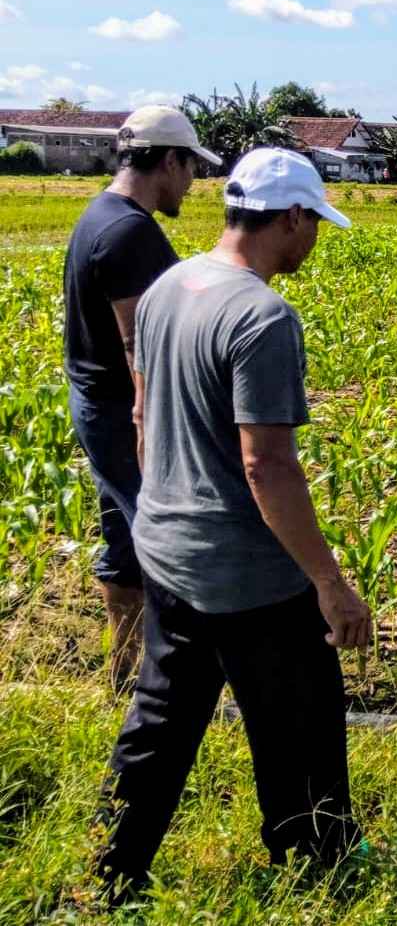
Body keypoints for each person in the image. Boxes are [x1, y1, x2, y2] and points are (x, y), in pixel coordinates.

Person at [94, 148, 372, 903]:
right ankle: (318, 869)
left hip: (167, 546)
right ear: (289, 218)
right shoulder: (262, 316)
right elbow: (267, 467)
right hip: (246, 570)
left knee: (162, 714)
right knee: (301, 720)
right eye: (313, 222)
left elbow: (142, 414)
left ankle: (111, 867)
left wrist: (166, 510)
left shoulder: (167, 287)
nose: (314, 238)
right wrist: (330, 583)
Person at [63, 105, 220, 692]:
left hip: (95, 404)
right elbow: (141, 345)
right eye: (190, 168)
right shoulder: (130, 231)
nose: (193, 182)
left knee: (124, 545)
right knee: (164, 542)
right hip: (123, 413)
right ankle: (169, 689)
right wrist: (156, 428)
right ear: (168, 160)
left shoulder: (97, 215)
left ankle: (122, 678)